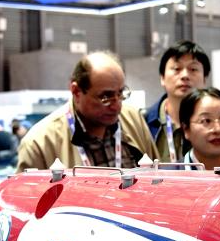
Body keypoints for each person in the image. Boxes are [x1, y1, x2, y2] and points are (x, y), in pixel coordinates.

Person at [17, 52, 156, 170]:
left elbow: (159, 177)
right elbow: (25, 199)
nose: (116, 106)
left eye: (120, 93)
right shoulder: (40, 143)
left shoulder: (134, 120)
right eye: (105, 97)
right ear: (76, 91)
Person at [145, 40, 209, 162]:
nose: (185, 75)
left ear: (205, 78)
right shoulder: (144, 123)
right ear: (162, 78)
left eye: (193, 69)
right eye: (176, 68)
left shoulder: (218, 126)